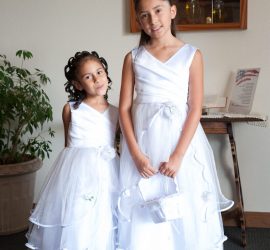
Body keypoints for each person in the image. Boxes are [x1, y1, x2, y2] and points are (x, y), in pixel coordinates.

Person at [118, 0, 234, 249]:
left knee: (184, 204)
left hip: (180, 144)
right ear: (139, 21)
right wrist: (136, 155)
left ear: (172, 11)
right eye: (145, 15)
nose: (153, 20)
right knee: (145, 206)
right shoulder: (133, 58)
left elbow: (194, 108)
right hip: (143, 145)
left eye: (158, 11)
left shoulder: (192, 55)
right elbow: (125, 109)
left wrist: (178, 155)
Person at [25, 51, 119, 250]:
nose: (96, 79)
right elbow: (68, 146)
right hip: (77, 174)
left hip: (107, 172)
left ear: (106, 73)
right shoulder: (71, 109)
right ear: (77, 84)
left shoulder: (116, 112)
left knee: (103, 215)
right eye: (88, 76)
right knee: (78, 216)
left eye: (99, 72)